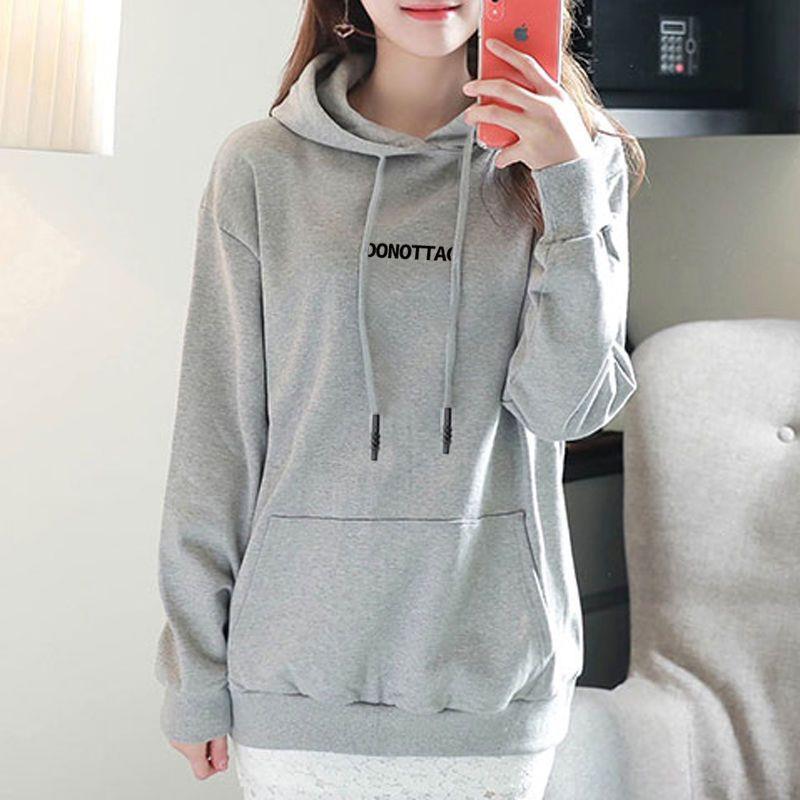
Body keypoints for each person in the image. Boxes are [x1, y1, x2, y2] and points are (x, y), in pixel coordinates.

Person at [154, 0, 645, 797]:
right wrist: (194, 670)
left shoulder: (578, 161)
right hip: (295, 680)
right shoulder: (261, 166)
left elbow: (569, 407)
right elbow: (218, 437)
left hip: (490, 681)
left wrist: (569, 188)